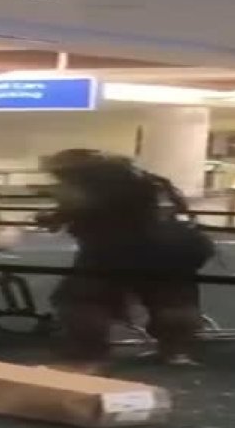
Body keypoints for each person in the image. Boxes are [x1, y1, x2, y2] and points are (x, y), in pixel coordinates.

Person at [37, 149, 214, 372]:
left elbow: (79, 207)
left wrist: (55, 217)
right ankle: (176, 351)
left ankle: (88, 356)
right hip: (172, 248)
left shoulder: (91, 183)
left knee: (83, 300)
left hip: (118, 249)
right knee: (172, 300)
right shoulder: (144, 180)